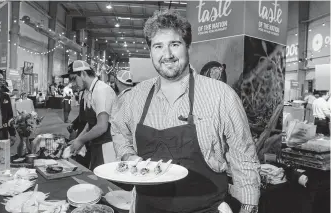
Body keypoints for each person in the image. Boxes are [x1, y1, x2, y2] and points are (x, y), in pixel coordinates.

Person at [111, 10, 260, 213]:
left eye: (174, 44)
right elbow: (119, 130)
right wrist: (129, 157)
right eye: (158, 46)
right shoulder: (136, 96)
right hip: (146, 207)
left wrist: (249, 205)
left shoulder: (220, 95)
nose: (167, 54)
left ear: (187, 46)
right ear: (150, 51)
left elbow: (244, 155)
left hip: (205, 208)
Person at [62, 60, 117, 170]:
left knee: (105, 181)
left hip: (108, 145)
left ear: (83, 74)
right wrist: (79, 138)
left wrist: (81, 140)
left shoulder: (101, 90)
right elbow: (91, 123)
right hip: (96, 143)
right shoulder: (88, 92)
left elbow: (102, 126)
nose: (72, 84)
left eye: (74, 79)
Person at [0, 69, 17, 145]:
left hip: (2, 132)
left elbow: (9, 116)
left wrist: (12, 134)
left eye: (0, 80)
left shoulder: (5, 97)